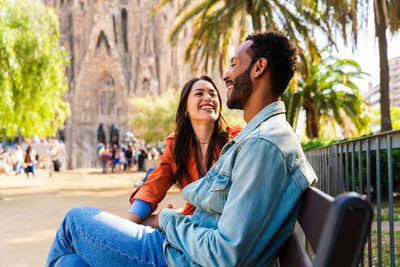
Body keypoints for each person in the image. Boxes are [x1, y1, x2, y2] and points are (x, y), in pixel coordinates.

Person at [46, 31, 317, 267]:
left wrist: (167, 219)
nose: (225, 75)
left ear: (258, 68)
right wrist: (151, 220)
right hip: (183, 248)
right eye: (198, 94)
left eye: (234, 65)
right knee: (71, 263)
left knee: (75, 222)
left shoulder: (263, 144)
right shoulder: (256, 137)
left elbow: (226, 254)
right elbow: (158, 182)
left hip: (182, 258)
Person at [127, 75, 241, 225]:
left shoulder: (236, 139)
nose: (208, 97)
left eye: (213, 94)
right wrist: (129, 224)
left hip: (226, 228)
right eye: (199, 93)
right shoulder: (176, 145)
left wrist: (163, 220)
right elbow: (155, 184)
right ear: (186, 108)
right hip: (191, 225)